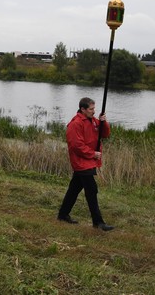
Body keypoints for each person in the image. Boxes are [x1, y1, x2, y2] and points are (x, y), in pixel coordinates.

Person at [57, 97, 114, 231]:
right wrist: (92, 154)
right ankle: (98, 222)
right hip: (81, 162)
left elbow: (105, 134)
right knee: (92, 190)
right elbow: (76, 146)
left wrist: (103, 122)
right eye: (91, 109)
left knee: (74, 188)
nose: (94, 112)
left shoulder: (93, 121)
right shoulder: (76, 124)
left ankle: (63, 215)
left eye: (94, 109)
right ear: (82, 109)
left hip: (88, 161)